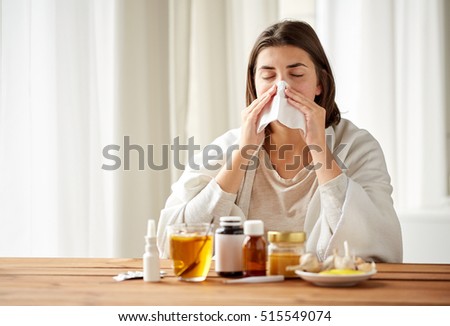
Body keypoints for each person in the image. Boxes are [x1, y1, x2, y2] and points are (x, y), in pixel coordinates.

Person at [157, 20, 403, 262]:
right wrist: (242, 154)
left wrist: (320, 150)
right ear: (254, 84)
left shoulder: (359, 147)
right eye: (268, 75)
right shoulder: (226, 147)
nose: (281, 88)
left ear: (320, 83)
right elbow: (172, 245)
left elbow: (376, 247)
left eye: (296, 74)